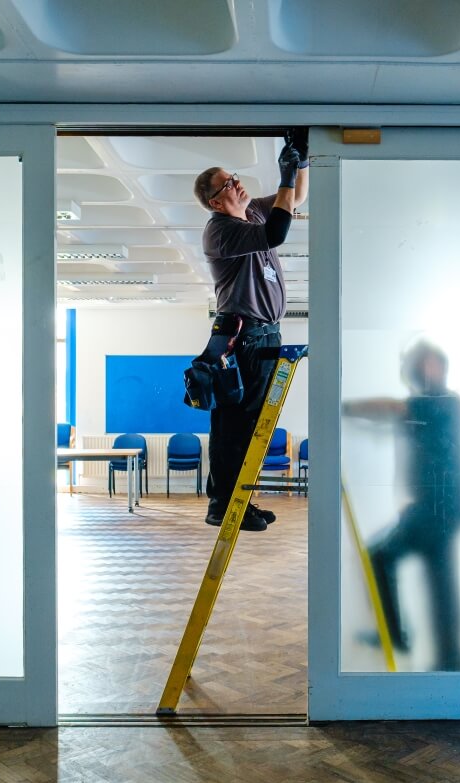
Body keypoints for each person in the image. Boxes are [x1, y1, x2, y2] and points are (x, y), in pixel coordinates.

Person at [193, 132, 309, 531]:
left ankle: (238, 502)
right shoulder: (220, 230)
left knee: (249, 426)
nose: (237, 183)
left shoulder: (254, 213)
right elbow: (278, 232)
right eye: (228, 183)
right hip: (244, 338)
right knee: (236, 427)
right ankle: (224, 505)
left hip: (262, 335)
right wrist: (285, 173)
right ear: (215, 201)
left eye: (235, 177)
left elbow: (294, 201)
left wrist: (301, 163)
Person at [342, 340, 460, 671]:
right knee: (440, 580)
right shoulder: (431, 404)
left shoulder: (445, 402)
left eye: (431, 363)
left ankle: (408, 639)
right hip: (437, 506)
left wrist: (342, 407)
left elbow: (393, 408)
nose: (426, 369)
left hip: (439, 507)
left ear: (442, 366)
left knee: (382, 556)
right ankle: (448, 657)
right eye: (421, 364)